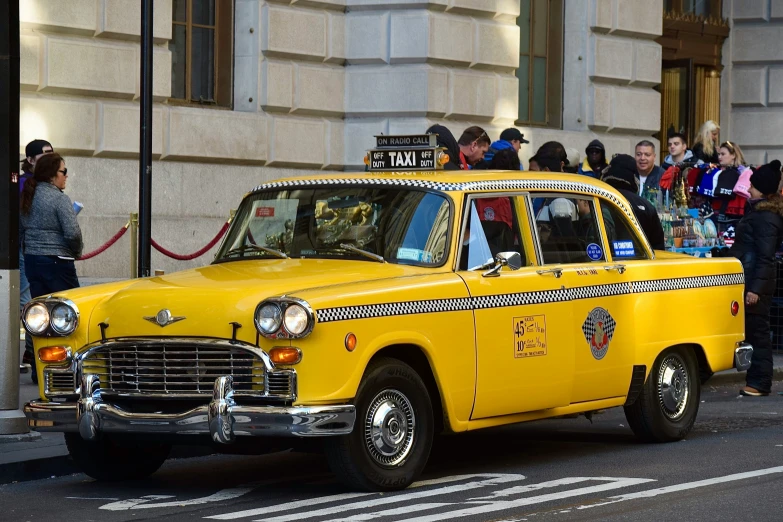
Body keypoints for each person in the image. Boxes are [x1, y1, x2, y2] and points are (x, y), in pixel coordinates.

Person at [727, 160, 783, 397]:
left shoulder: (766, 217)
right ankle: (758, 380)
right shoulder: (762, 213)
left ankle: (760, 382)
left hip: (755, 282)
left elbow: (765, 256)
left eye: (752, 186)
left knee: (757, 331)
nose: (748, 189)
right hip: (751, 279)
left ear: (763, 190)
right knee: (753, 330)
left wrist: (755, 289)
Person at [20, 153, 83, 316]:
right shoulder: (59, 199)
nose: (66, 175)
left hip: (32, 260)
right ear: (52, 175)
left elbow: (20, 229)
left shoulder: (28, 196)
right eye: (64, 171)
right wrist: (76, 252)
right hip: (58, 262)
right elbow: (73, 234)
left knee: (38, 309)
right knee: (68, 309)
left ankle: (32, 342)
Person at [19, 139, 53, 380]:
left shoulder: (46, 185)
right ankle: (31, 354)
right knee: (28, 303)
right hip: (23, 250)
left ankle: (31, 354)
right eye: (45, 154)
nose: (50, 157)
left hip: (34, 251)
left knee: (34, 302)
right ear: (30, 160)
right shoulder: (24, 185)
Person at [600, 154, 666, 250]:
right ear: (634, 177)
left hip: (602, 261)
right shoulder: (646, 206)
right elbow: (658, 246)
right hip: (639, 262)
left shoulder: (599, 199)